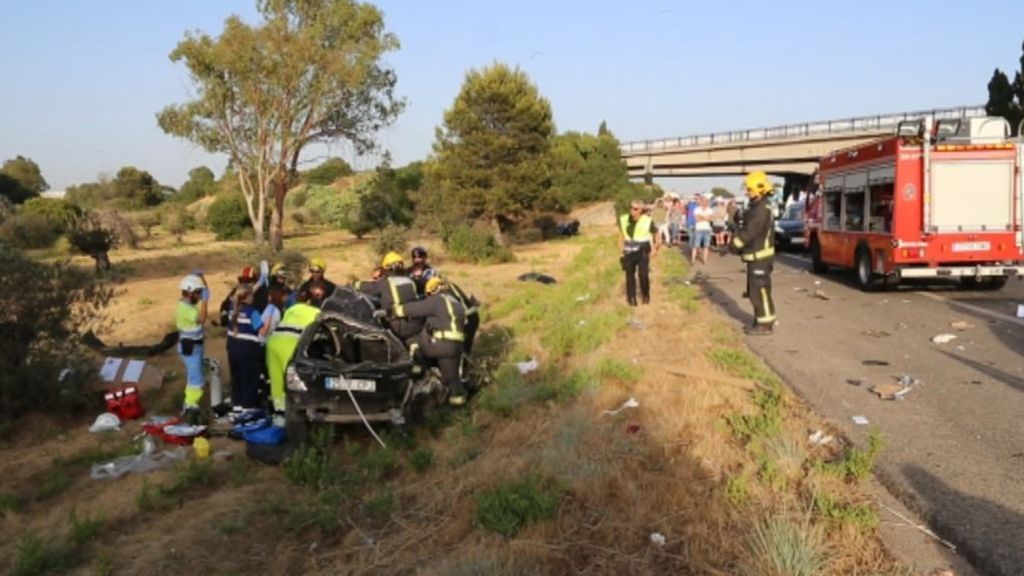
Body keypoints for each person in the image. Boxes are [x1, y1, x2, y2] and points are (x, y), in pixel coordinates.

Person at [403, 277, 469, 406]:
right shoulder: (456, 302)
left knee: (414, 344)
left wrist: (393, 310)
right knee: (452, 379)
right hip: (456, 347)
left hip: (441, 345)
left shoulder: (436, 301)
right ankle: (458, 409)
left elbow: (414, 309)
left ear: (432, 291)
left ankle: (417, 373)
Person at [265, 290, 321, 425]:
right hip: (290, 344)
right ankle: (296, 414)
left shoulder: (290, 310)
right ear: (309, 301)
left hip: (273, 342)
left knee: (276, 378)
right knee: (293, 380)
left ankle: (279, 415)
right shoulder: (316, 312)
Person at [732, 171, 777, 335]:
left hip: (760, 258)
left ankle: (765, 325)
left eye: (750, 190)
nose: (747, 192)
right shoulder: (758, 207)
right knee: (754, 291)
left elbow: (750, 232)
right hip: (757, 257)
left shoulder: (761, 209)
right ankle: (760, 320)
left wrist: (734, 245)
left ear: (760, 189)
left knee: (760, 291)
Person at [355, 252, 424, 340]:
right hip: (416, 325)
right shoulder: (410, 281)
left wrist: (353, 284)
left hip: (398, 328)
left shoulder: (386, 283)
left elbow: (366, 287)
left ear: (387, 268)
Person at [226, 284, 265, 410]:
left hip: (233, 347)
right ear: (248, 297)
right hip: (248, 350)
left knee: (236, 377)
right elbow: (262, 331)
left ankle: (236, 406)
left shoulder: (232, 308)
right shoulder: (253, 312)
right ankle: (247, 407)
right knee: (250, 379)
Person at [176, 274, 209, 423]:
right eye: (198, 292)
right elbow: (202, 319)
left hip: (191, 346)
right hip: (191, 347)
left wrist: (202, 279)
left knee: (193, 377)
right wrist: (206, 301)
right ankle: (191, 407)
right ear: (189, 292)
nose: (200, 295)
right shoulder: (187, 309)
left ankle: (188, 405)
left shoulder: (186, 305)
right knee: (196, 380)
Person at [618, 199, 660, 306]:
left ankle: (645, 294)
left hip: (643, 250)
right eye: (631, 207)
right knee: (629, 274)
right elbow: (621, 235)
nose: (632, 210)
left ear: (641, 210)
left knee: (643, 274)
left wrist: (656, 247)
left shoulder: (647, 220)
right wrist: (621, 249)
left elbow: (656, 233)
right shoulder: (624, 219)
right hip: (628, 250)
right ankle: (631, 299)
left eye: (635, 209)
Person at [691, 195, 713, 264]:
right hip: (699, 229)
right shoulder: (697, 209)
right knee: (695, 245)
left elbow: (710, 219)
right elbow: (697, 219)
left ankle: (704, 260)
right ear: (701, 202)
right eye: (703, 201)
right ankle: (693, 260)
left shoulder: (710, 210)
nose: (705, 203)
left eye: (706, 201)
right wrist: (705, 217)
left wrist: (701, 217)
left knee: (706, 246)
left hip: (707, 229)